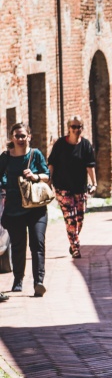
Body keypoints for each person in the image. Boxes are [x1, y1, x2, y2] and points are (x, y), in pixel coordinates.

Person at [0, 123, 51, 298]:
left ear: (29, 136)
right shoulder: (6, 157)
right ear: (12, 137)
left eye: (23, 136)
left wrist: (35, 176)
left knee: (37, 243)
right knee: (18, 245)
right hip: (14, 208)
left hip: (36, 207)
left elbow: (47, 175)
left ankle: (39, 282)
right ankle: (18, 280)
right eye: (17, 136)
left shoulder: (35, 154)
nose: (20, 139)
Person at [48, 115, 97, 259]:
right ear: (68, 128)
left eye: (79, 127)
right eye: (73, 127)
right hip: (62, 187)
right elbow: (52, 163)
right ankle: (75, 248)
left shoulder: (85, 145)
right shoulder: (60, 145)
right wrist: (49, 181)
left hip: (80, 188)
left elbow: (90, 166)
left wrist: (94, 183)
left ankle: (73, 240)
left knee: (79, 219)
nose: (76, 130)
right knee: (70, 218)